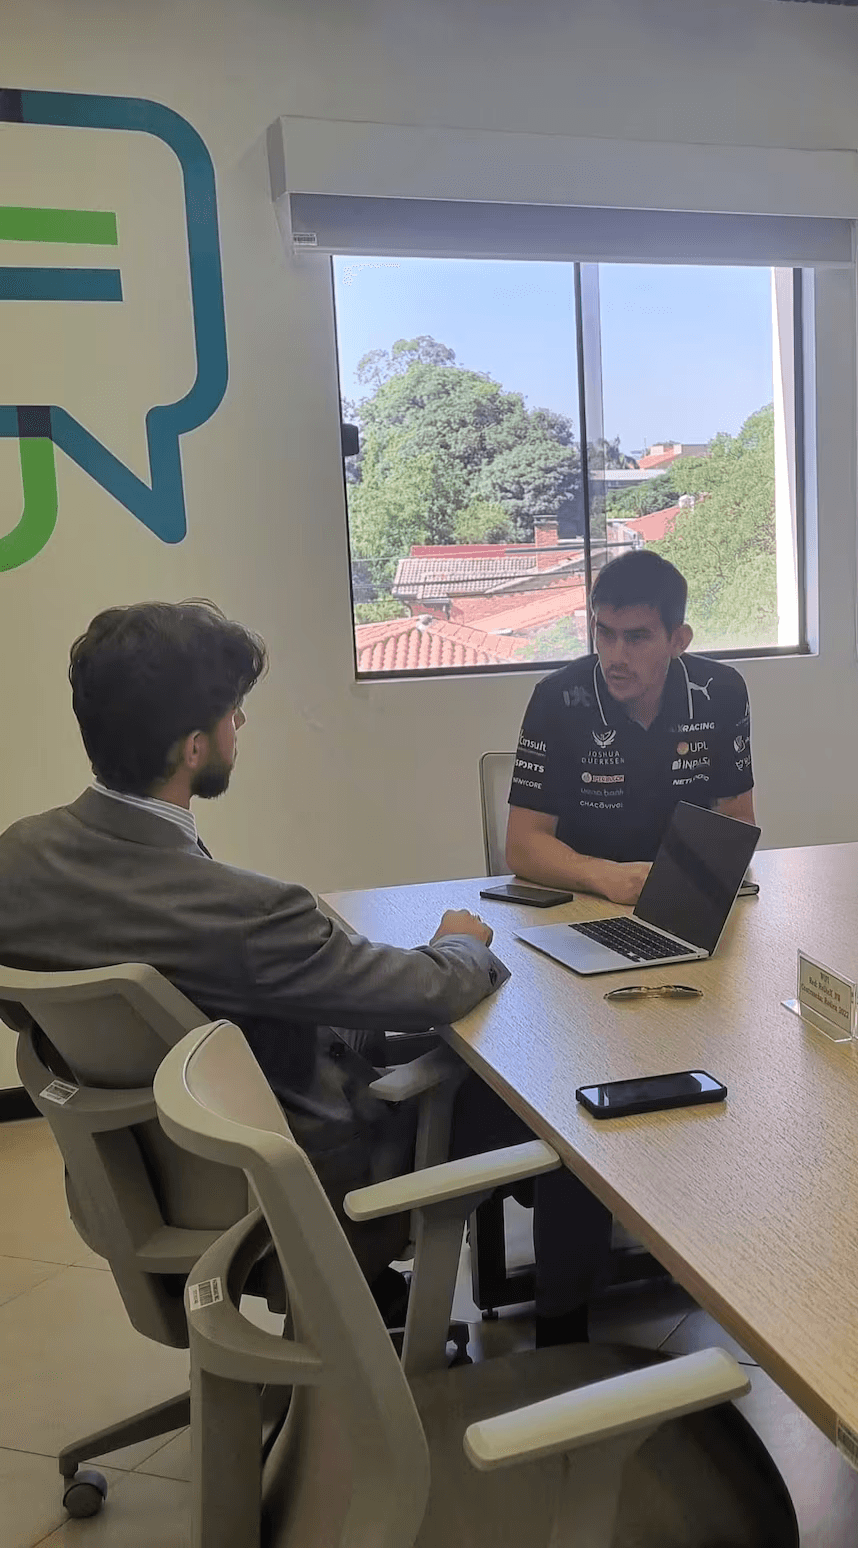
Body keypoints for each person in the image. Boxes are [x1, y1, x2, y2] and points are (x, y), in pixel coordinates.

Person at [0, 600, 602, 1339]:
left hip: (133, 1182)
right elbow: (431, 991)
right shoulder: (247, 912)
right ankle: (571, 1333)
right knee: (553, 1089)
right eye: (232, 711)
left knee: (397, 1045)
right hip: (295, 1184)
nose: (241, 723)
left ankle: (374, 1305)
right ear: (194, 747)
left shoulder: (15, 862)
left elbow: (29, 1008)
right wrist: (460, 943)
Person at [506, 550, 756, 902]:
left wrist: (680, 892)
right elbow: (521, 845)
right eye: (605, 634)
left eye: (637, 638)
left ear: (678, 641)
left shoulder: (722, 692)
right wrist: (604, 877)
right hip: (583, 897)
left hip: (685, 898)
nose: (616, 657)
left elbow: (736, 822)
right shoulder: (556, 698)